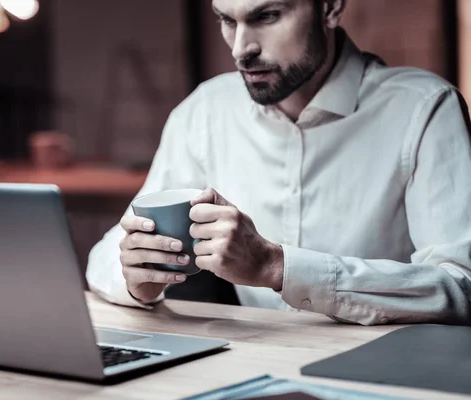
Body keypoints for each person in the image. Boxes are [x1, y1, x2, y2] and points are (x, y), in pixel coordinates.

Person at [86, 0, 471, 325]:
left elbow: (460, 286)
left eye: (266, 16)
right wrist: (140, 277)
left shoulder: (424, 109)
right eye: (226, 20)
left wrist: (276, 267)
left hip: (387, 374)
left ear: (331, 7)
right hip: (254, 365)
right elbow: (107, 257)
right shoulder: (205, 111)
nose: (240, 49)